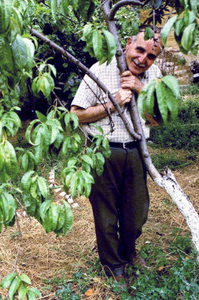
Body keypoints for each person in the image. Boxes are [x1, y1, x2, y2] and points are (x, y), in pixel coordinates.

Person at [70, 31, 162, 285]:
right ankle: (113, 266)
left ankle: (129, 250)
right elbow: (75, 114)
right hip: (103, 151)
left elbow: (158, 117)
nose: (143, 59)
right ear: (128, 44)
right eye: (140, 50)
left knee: (136, 213)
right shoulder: (100, 69)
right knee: (106, 213)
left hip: (135, 151)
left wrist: (142, 90)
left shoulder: (154, 78)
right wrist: (113, 104)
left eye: (151, 56)